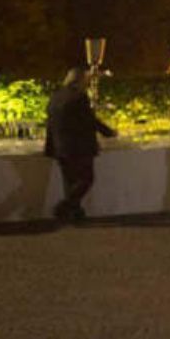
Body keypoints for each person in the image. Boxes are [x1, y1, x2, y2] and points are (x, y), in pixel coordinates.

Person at [43, 66, 116, 223]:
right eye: (86, 79)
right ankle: (63, 207)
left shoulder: (56, 96)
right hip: (78, 146)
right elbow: (89, 120)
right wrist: (109, 132)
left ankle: (75, 214)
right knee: (86, 179)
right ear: (81, 80)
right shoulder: (79, 97)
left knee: (69, 181)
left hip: (59, 146)